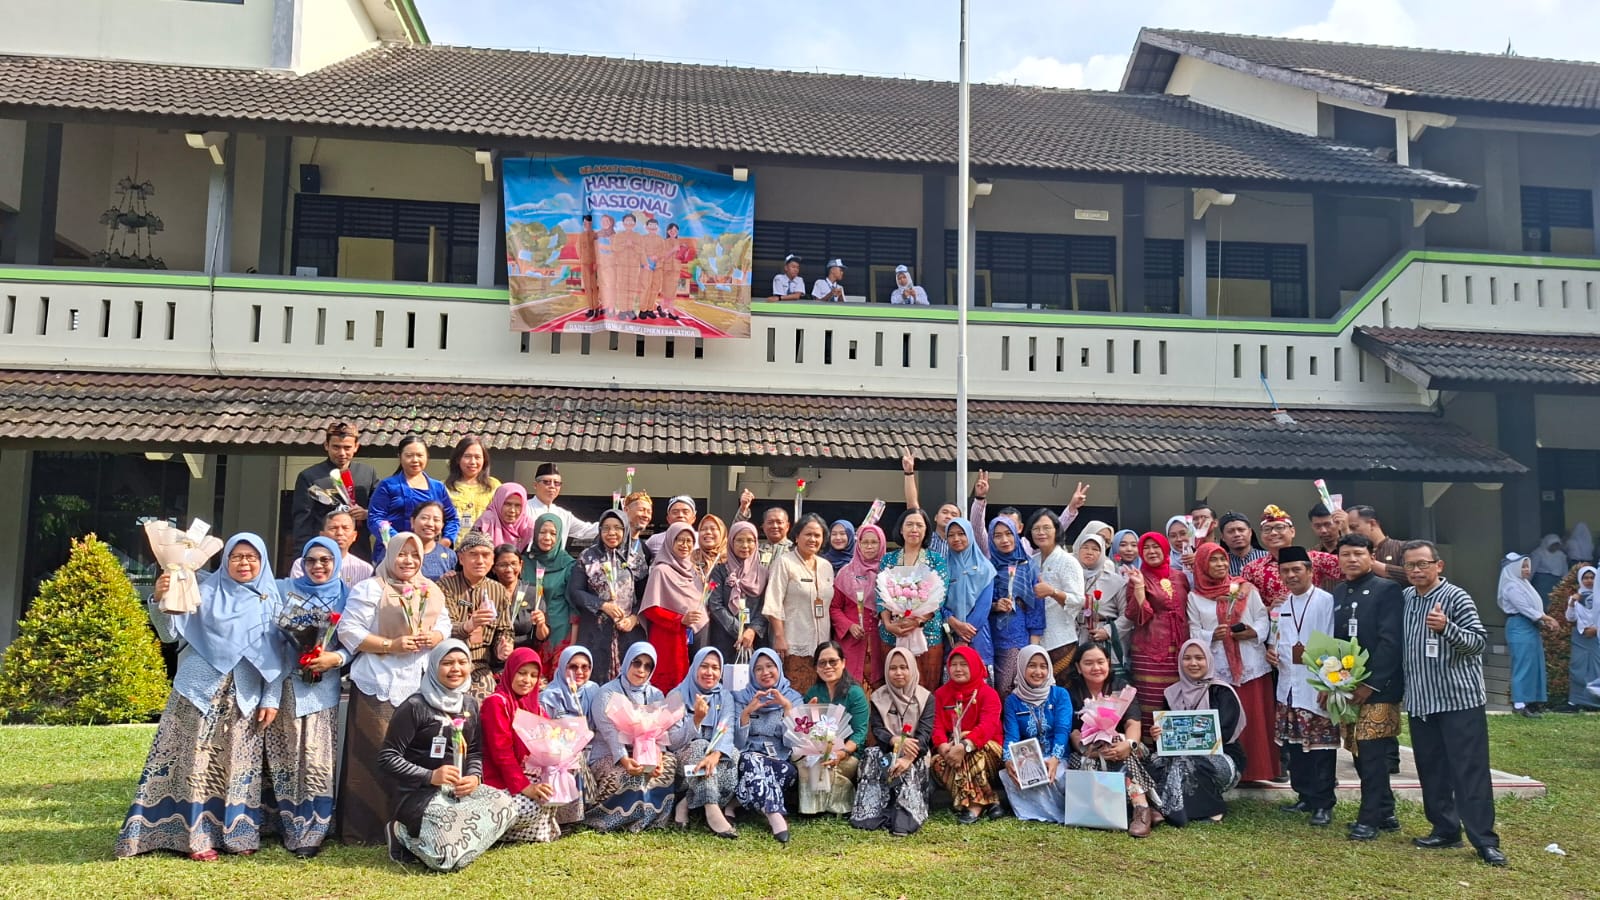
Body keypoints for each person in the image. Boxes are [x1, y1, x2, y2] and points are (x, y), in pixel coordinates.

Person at [117, 534, 287, 861]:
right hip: (199, 691)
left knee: (239, 765)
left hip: (245, 696)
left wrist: (272, 696)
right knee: (195, 764)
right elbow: (169, 632)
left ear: (262, 561)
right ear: (225, 561)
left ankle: (238, 833)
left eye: (252, 557)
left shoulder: (271, 599)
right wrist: (159, 598)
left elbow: (278, 656)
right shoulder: (205, 590)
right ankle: (195, 838)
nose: (244, 563)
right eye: (237, 556)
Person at [336, 531, 450, 846]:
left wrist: (435, 638)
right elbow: (348, 631)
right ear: (389, 555)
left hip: (418, 686)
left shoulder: (432, 590)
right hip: (377, 683)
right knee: (373, 755)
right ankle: (366, 832)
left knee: (413, 757)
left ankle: (408, 827)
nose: (408, 561)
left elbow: (445, 625)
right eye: (402, 554)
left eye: (414, 555)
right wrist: (391, 645)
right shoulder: (371, 588)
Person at [1399, 540, 1505, 867]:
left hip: (1459, 700)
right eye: (1411, 565)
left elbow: (1476, 643)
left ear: (1438, 566)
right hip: (1421, 701)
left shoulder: (1457, 597)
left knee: (1468, 771)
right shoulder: (1406, 599)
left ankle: (1484, 840)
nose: (1417, 570)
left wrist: (1447, 628)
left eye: (1423, 564)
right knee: (1432, 770)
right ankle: (1445, 828)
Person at [378, 639, 514, 870]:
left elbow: (473, 751)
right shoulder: (414, 706)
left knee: (506, 805)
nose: (456, 669)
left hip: (456, 791)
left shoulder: (469, 704)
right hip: (417, 794)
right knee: (444, 860)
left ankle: (450, 840)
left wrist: (474, 777)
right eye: (447, 663)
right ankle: (399, 831)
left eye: (462, 662)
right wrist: (430, 776)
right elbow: (387, 757)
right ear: (433, 667)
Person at [267, 536, 351, 857]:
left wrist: (336, 658)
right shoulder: (283, 589)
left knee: (316, 760)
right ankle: (286, 824)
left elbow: (354, 640)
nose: (318, 566)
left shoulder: (347, 595)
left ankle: (313, 831)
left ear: (336, 563)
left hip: (323, 688)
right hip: (288, 684)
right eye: (311, 560)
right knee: (287, 757)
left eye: (325, 560)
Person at [1330, 533, 1406, 841]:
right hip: (1347, 686)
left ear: (1370, 555)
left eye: (1358, 553)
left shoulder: (1387, 590)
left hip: (1379, 687)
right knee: (1358, 751)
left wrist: (1372, 685)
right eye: (1345, 554)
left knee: (1374, 753)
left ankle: (1370, 818)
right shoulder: (1339, 592)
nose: (1351, 559)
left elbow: (1391, 642)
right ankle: (1385, 810)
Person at [1186, 543, 1277, 784]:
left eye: (1223, 560)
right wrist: (1211, 635)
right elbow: (1193, 629)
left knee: (1256, 716)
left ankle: (1260, 770)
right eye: (1213, 561)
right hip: (1219, 665)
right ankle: (1228, 771)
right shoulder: (1195, 597)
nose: (1220, 565)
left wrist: (1253, 632)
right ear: (1202, 565)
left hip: (1250, 663)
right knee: (1228, 718)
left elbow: (1262, 618)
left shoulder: (1246, 589)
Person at [1269, 546, 1338, 825]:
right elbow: (1277, 638)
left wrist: (1328, 684)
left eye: (1297, 569)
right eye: (1285, 571)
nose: (1291, 575)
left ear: (1310, 571)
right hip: (1288, 684)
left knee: (1320, 747)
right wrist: (1270, 650)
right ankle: (1305, 796)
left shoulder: (1325, 601)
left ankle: (1323, 802)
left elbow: (1333, 641)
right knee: (1296, 746)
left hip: (1316, 683)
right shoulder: (1282, 605)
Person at [585, 642, 681, 832]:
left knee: (669, 765)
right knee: (632, 777)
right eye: (636, 663)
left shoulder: (655, 693)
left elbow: (659, 734)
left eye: (648, 666)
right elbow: (610, 734)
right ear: (627, 662)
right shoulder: (607, 693)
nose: (641, 670)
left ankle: (652, 820)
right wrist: (626, 760)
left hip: (646, 755)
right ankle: (606, 819)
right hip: (611, 756)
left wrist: (657, 759)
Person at [1149, 640, 1246, 826]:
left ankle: (1212, 810)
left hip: (1222, 755)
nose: (1193, 663)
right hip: (1179, 755)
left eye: (1199, 658)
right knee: (1154, 763)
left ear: (1208, 660)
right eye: (1187, 658)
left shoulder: (1222, 692)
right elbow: (1166, 742)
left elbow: (1225, 733)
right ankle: (1166, 807)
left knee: (1186, 763)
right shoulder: (1172, 693)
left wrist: (1191, 741)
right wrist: (1159, 735)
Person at [1066, 643, 1158, 837]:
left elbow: (1133, 723)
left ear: (1108, 662)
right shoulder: (1071, 692)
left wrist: (1128, 744)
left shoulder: (1121, 689)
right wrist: (1088, 749)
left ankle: (1141, 811)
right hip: (1089, 749)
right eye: (1088, 663)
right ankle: (1141, 807)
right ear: (1078, 667)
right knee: (1090, 759)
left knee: (1121, 752)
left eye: (1100, 661)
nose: (1096, 668)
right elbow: (1073, 731)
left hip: (1128, 746)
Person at [479, 647, 562, 843]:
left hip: (528, 774)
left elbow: (551, 740)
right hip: (500, 781)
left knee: (558, 786)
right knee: (531, 804)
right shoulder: (496, 703)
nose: (528, 680)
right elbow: (502, 754)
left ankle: (541, 828)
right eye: (522, 673)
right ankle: (492, 833)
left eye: (534, 675)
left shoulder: (536, 706)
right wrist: (525, 787)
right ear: (510, 672)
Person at [850, 646, 935, 836]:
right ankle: (872, 812)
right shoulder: (878, 697)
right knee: (871, 755)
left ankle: (905, 817)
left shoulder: (925, 698)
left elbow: (924, 736)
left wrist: (907, 759)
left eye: (904, 667)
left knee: (906, 768)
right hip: (888, 751)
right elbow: (878, 730)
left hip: (916, 756)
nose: (898, 673)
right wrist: (895, 740)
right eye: (893, 668)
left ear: (912, 669)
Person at [666, 647, 740, 836]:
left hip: (713, 757)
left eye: (715, 668)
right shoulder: (677, 695)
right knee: (700, 745)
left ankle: (685, 803)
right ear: (694, 668)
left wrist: (716, 754)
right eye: (704, 666)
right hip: (684, 762)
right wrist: (696, 720)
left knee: (733, 754)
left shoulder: (724, 696)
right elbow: (673, 742)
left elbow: (727, 728)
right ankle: (711, 807)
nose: (710, 672)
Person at [998, 645, 1075, 823]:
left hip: (1059, 756)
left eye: (1043, 666)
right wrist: (1009, 760)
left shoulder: (1060, 695)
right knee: (1013, 776)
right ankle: (1034, 813)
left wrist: (1055, 758)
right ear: (1022, 667)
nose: (1038, 671)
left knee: (1059, 776)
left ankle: (1060, 812)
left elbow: (1063, 729)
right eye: (1031, 665)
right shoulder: (1013, 700)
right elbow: (1012, 736)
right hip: (1029, 759)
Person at [734, 647, 802, 843]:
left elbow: (793, 743)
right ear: (752, 673)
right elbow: (738, 743)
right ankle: (775, 816)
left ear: (779, 668)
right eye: (758, 669)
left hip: (780, 762)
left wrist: (787, 708)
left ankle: (737, 801)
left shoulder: (793, 698)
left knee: (783, 772)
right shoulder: (740, 697)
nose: (765, 673)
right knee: (751, 760)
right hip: (748, 759)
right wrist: (746, 713)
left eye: (770, 666)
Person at [571, 509, 648, 682]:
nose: (611, 533)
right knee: (595, 680)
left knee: (628, 682)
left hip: (628, 632)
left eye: (617, 528)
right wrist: (602, 605)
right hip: (595, 631)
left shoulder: (636, 559)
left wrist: (634, 618)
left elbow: (645, 595)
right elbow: (575, 591)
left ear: (625, 530)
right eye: (606, 528)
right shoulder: (587, 557)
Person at [877, 507, 950, 687]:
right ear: (901, 529)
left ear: (926, 530)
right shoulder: (889, 559)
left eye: (919, 525)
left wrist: (918, 621)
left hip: (928, 633)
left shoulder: (936, 559)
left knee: (926, 687)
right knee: (896, 686)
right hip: (892, 632)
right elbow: (880, 595)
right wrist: (887, 623)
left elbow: (939, 597)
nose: (914, 529)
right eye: (909, 524)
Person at [931, 646, 1004, 824]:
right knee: (939, 764)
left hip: (988, 751)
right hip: (951, 750)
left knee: (973, 756)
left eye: (964, 664)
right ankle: (990, 799)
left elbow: (988, 727)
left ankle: (974, 806)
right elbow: (936, 725)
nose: (958, 669)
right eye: (954, 664)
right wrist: (942, 746)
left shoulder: (988, 694)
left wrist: (965, 744)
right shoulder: (941, 694)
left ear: (974, 665)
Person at [438, 530, 515, 698]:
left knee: (484, 707)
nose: (480, 561)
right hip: (450, 663)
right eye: (473, 554)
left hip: (480, 666)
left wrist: (503, 647)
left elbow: (505, 630)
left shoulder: (498, 590)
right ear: (461, 558)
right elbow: (443, 627)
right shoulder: (446, 586)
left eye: (486, 555)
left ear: (492, 560)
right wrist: (469, 625)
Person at [765, 513, 836, 694]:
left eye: (817, 535)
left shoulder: (826, 566)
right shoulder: (785, 562)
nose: (813, 539)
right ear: (797, 536)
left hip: (822, 646)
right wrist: (780, 637)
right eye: (808, 534)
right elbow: (773, 601)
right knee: (796, 695)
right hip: (793, 642)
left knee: (819, 697)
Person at [797, 640, 869, 815]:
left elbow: (860, 733)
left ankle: (835, 805)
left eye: (833, 661)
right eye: (822, 663)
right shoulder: (814, 692)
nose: (828, 666)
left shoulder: (854, 693)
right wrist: (810, 714)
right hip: (817, 751)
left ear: (843, 663)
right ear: (816, 667)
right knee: (806, 764)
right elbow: (805, 731)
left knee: (826, 765)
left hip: (848, 753)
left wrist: (841, 753)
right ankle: (813, 809)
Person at [1125, 531, 1189, 732]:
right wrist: (1139, 589)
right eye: (1146, 548)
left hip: (1178, 650)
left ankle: (1175, 748)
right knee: (1150, 699)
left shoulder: (1180, 577)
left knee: (1177, 697)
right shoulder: (1138, 577)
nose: (1152, 551)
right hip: (1149, 650)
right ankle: (1149, 749)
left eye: (1156, 547)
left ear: (1165, 548)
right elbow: (1138, 616)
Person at [290, 422, 378, 558]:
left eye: (347, 448)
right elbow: (302, 522)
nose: (342, 453)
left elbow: (382, 510)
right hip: (322, 552)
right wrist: (302, 557)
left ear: (356, 447)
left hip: (359, 550)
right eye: (336, 447)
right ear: (326, 446)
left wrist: (366, 513)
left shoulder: (368, 473)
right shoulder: (310, 476)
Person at [639, 521, 710, 690]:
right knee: (670, 688)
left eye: (689, 541)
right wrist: (679, 619)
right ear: (670, 541)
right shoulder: (660, 570)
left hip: (697, 635)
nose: (685, 545)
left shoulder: (694, 571)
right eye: (680, 540)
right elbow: (650, 609)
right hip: (669, 637)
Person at [367, 436, 459, 562]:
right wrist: (398, 541)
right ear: (400, 457)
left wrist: (447, 540)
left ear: (427, 457)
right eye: (409, 455)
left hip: (430, 554)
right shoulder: (388, 486)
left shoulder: (438, 487)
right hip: (393, 553)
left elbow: (452, 518)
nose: (415, 460)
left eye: (420, 455)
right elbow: (375, 518)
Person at [968, 468, 1088, 555]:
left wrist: (1071, 508)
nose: (1005, 533)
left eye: (1011, 527)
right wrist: (979, 498)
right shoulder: (989, 546)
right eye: (1001, 526)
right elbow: (977, 527)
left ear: (1020, 527)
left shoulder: (1027, 545)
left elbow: (1053, 529)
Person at [1241, 506, 1341, 607]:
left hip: (1312, 616)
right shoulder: (1252, 569)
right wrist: (1268, 609)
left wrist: (1346, 530)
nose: (1273, 533)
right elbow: (1245, 607)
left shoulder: (1314, 558)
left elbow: (1350, 568)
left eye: (1279, 527)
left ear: (1292, 531)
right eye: (1267, 529)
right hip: (1274, 621)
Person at [1497, 552, 1557, 717]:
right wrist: (1547, 618)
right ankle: (1519, 704)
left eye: (1527, 566)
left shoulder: (1524, 584)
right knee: (1523, 664)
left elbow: (1534, 608)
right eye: (1523, 566)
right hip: (1519, 626)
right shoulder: (1511, 586)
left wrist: (1543, 621)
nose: (1526, 569)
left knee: (1534, 664)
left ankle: (1532, 702)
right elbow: (1525, 608)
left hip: (1531, 626)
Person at [989, 517, 1042, 694]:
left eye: (1008, 534)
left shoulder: (1028, 567)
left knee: (1008, 689)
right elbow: (979, 603)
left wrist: (1033, 647)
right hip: (989, 638)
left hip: (1017, 637)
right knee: (992, 688)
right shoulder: (987, 568)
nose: (1004, 540)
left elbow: (1036, 607)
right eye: (997, 535)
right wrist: (996, 605)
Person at [830, 523, 886, 686]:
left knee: (878, 686)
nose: (869, 546)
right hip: (851, 641)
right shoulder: (845, 573)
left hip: (879, 640)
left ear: (881, 543)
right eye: (864, 542)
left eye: (874, 542)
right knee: (849, 686)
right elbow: (834, 608)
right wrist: (849, 626)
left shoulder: (888, 573)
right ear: (858, 544)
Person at [942, 516, 997, 676]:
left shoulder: (985, 567)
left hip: (978, 634)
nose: (956, 538)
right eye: (951, 535)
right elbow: (938, 602)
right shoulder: (942, 567)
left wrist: (965, 637)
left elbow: (984, 606)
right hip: (949, 633)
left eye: (961, 533)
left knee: (980, 681)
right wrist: (952, 621)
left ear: (970, 535)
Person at [708, 520, 770, 660]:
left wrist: (752, 630)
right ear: (731, 542)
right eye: (739, 540)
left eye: (750, 540)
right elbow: (715, 604)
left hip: (755, 639)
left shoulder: (763, 573)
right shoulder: (719, 571)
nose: (745, 545)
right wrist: (740, 631)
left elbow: (766, 606)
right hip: (725, 637)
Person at [522, 513, 575, 669]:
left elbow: (574, 606)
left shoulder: (568, 564)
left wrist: (573, 640)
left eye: (553, 533)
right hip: (527, 627)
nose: (547, 537)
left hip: (558, 629)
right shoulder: (525, 561)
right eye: (542, 532)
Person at [1077, 532, 1132, 674]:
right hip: (1076, 638)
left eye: (1095, 549)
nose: (1089, 552)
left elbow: (1127, 615)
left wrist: (1107, 632)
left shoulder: (1116, 581)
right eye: (1085, 547)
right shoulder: (1069, 578)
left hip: (1106, 641)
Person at [288, 509, 375, 587]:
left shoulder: (365, 569)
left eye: (345, 528)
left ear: (354, 535)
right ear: (322, 535)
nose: (340, 533)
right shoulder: (302, 564)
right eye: (333, 528)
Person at [526, 463, 598, 548]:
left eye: (556, 483)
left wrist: (612, 522)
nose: (552, 486)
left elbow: (587, 530)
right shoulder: (524, 508)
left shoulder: (564, 515)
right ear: (535, 485)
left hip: (556, 561)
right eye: (547, 482)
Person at [444, 436, 501, 532]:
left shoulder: (494, 486)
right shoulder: (444, 487)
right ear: (458, 459)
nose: (473, 462)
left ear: (484, 460)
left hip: (484, 545)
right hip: (452, 544)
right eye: (467, 456)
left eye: (477, 457)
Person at [1563, 567, 1600, 711]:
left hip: (1597, 638)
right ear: (1580, 579)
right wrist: (1572, 603)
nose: (1589, 581)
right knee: (1577, 670)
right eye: (1586, 578)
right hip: (1580, 638)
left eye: (1592, 577)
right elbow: (1570, 618)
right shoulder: (1575, 597)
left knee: (1597, 669)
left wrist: (1596, 629)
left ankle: (1596, 704)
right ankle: (1575, 702)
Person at [1346, 505, 1404, 580]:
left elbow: (1413, 575)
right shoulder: (1345, 553)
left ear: (1372, 523)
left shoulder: (1402, 547)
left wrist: (1369, 563)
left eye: (1353, 527)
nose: (1350, 533)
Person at [475, 482, 535, 552]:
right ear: (498, 502)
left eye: (517, 505)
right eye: (507, 504)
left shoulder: (528, 525)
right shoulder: (486, 521)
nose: (512, 510)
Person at [411, 501, 457, 580]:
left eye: (436, 520)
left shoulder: (450, 555)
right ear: (412, 521)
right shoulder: (397, 551)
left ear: (442, 525)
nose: (430, 524)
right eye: (424, 518)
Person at [1217, 512, 1267, 576]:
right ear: (1223, 537)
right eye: (1230, 531)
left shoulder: (1267, 558)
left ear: (1250, 532)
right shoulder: (1219, 563)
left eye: (1241, 530)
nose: (1237, 534)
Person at [1529, 534, 1569, 600]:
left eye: (1557, 545)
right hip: (1542, 583)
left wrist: (1566, 583)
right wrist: (1527, 582)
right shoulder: (1538, 553)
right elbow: (1532, 569)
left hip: (1556, 582)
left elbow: (1565, 570)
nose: (1555, 547)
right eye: (1553, 545)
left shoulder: (1561, 555)